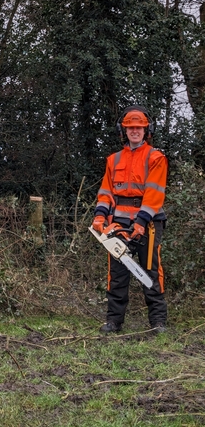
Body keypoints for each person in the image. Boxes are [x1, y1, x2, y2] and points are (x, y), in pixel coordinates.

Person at [91, 105, 168, 334]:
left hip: (149, 221)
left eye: (139, 128)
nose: (135, 131)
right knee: (117, 272)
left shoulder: (156, 158)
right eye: (130, 128)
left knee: (150, 270)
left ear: (147, 130)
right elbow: (106, 192)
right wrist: (99, 216)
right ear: (123, 130)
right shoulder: (113, 160)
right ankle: (114, 321)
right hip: (119, 223)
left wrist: (141, 222)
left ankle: (158, 321)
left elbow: (154, 194)